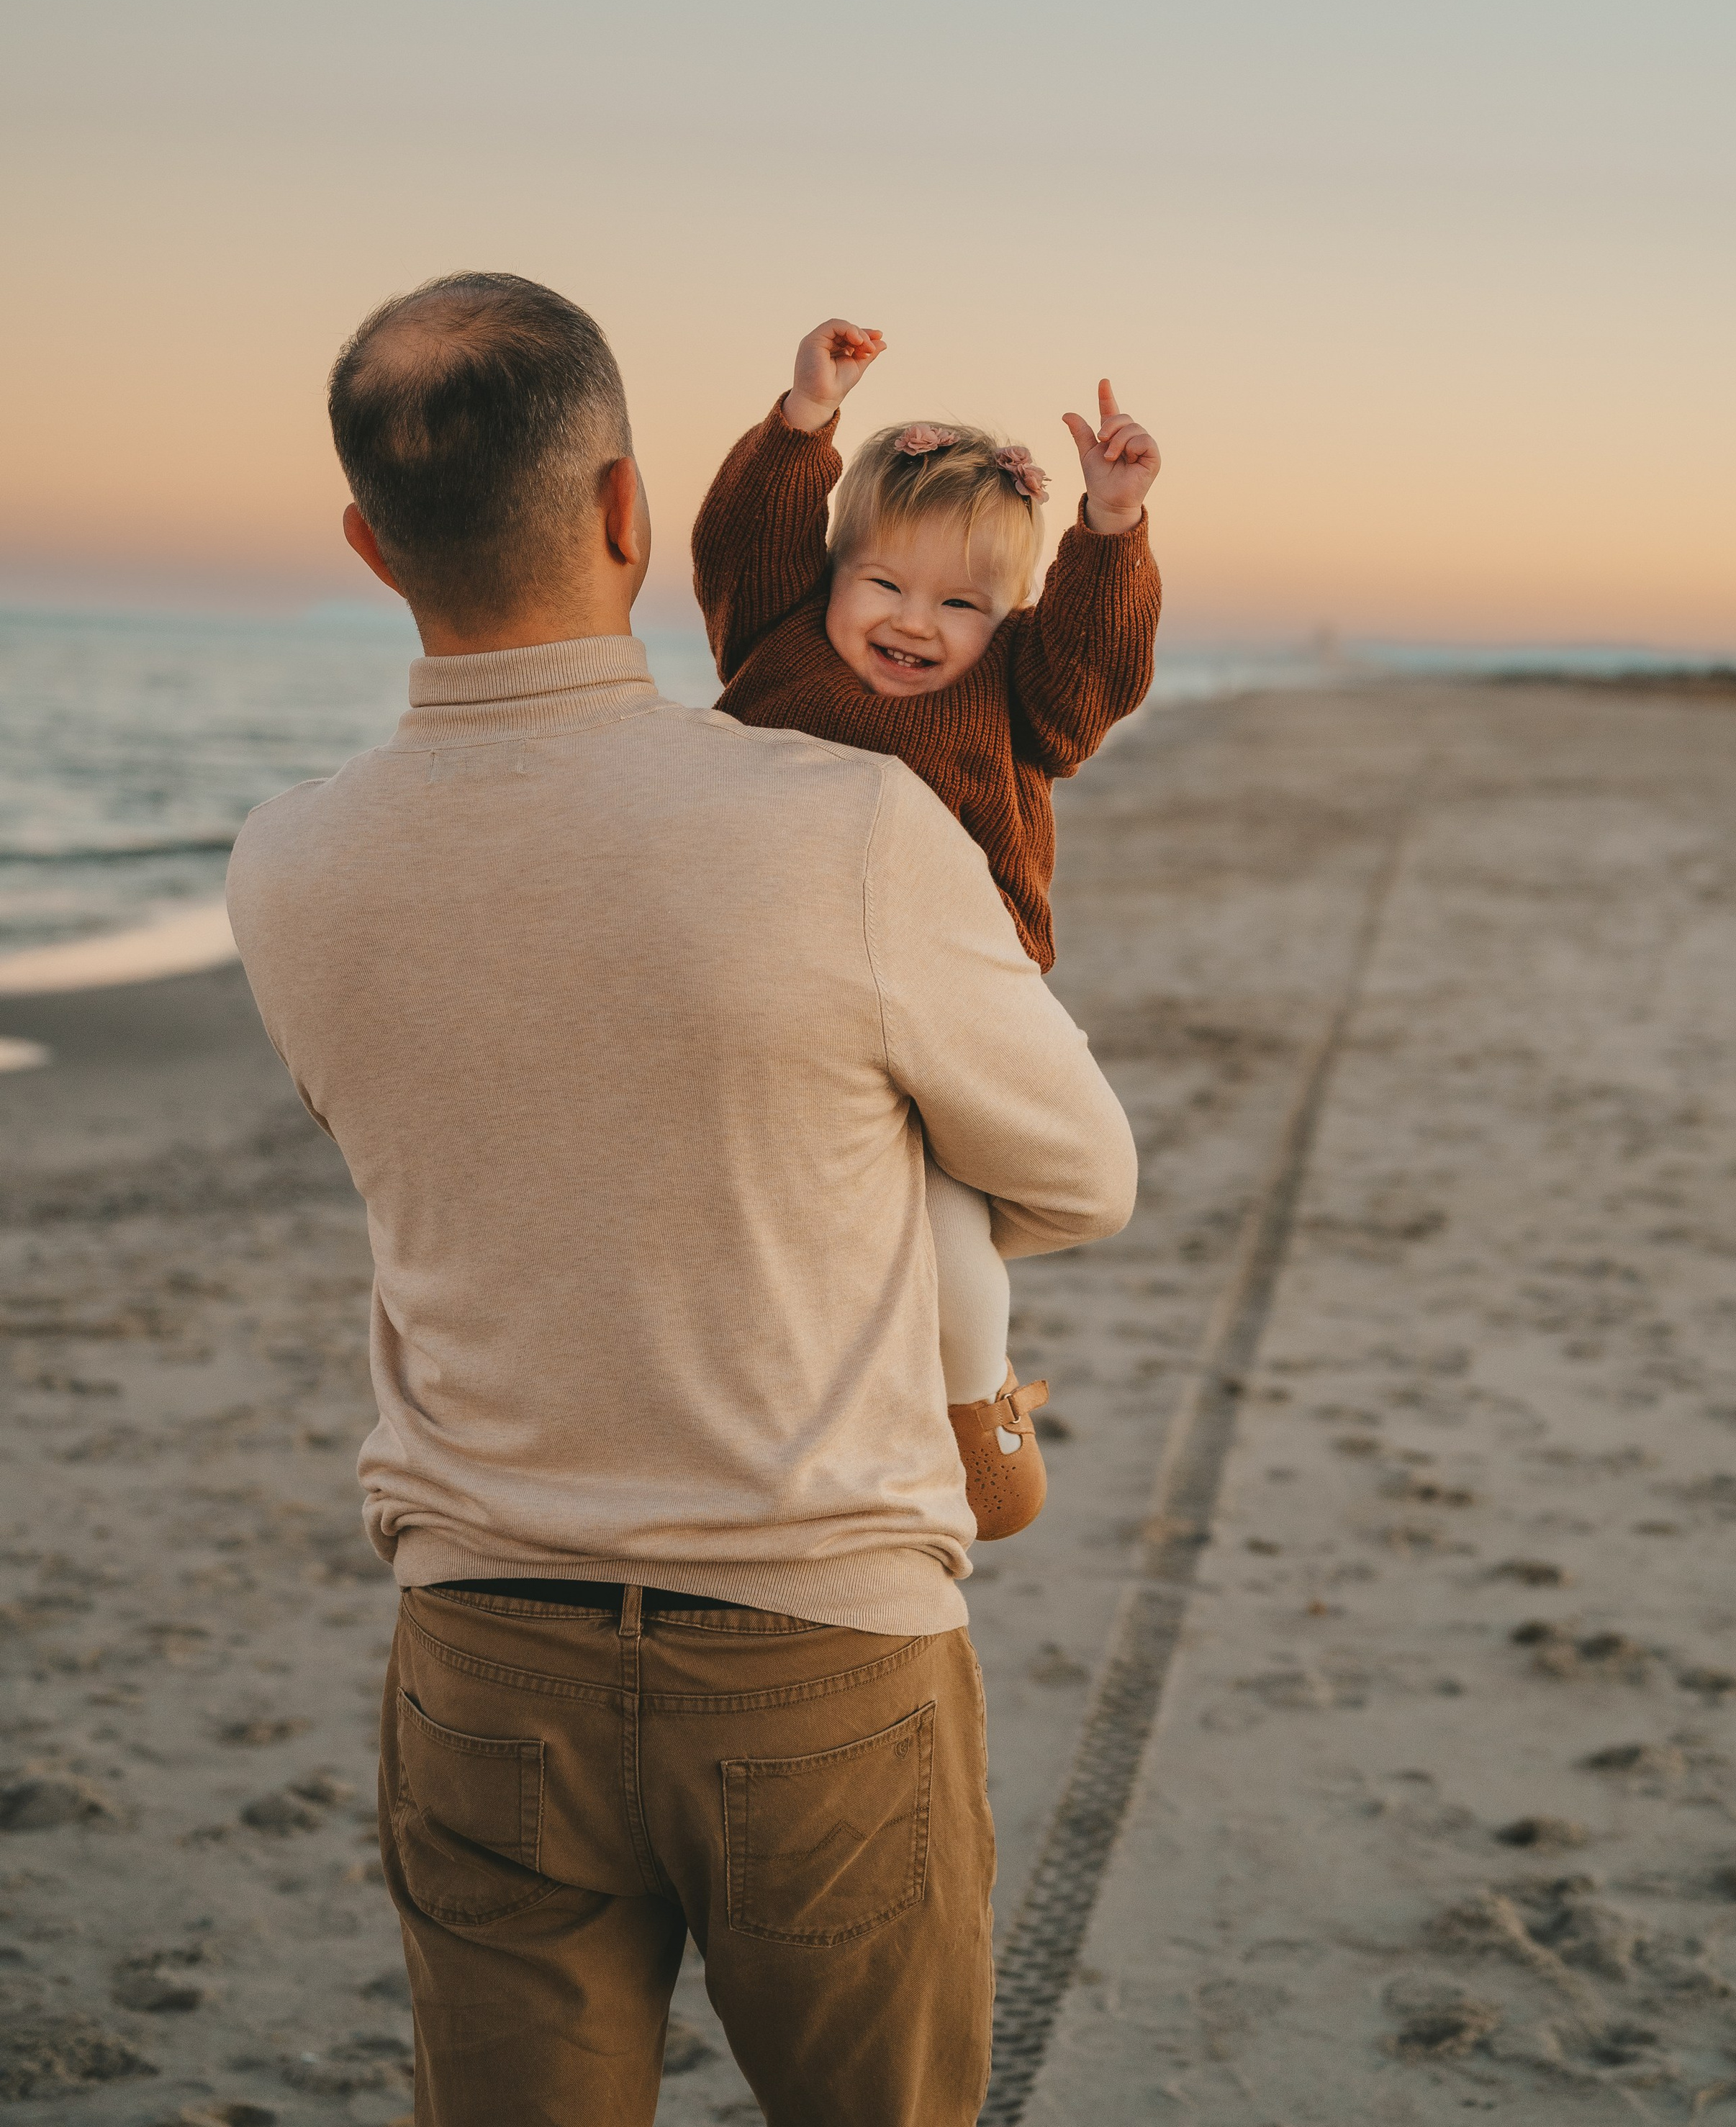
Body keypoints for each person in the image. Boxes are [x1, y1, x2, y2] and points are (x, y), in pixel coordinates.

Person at [225, 272, 1137, 2127]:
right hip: (816, 1648)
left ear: (369, 544)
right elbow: (1080, 1175)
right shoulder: (851, 826)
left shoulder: (284, 866)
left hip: (481, 1648)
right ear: (627, 511)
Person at [692, 320, 1160, 1541]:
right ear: (832, 574)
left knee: (950, 1229)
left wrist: (1111, 529)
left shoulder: (1016, 691)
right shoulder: (780, 637)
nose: (916, 623)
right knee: (784, 1209)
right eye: (885, 586)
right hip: (781, 985)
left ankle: (976, 1403)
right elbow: (743, 541)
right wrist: (803, 422)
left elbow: (1097, 670)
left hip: (952, 1000)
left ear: (1007, 617)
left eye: (962, 603)